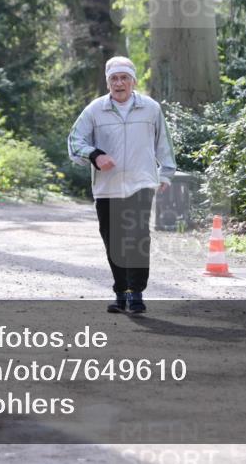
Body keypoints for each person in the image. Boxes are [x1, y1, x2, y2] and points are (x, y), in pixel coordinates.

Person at [68, 56, 176, 314]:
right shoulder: (95, 110)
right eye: (114, 78)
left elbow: (164, 144)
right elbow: (74, 141)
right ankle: (121, 292)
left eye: (124, 78)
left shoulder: (150, 108)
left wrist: (166, 174)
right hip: (108, 187)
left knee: (137, 237)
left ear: (133, 81)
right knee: (114, 241)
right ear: (108, 83)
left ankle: (136, 293)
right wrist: (95, 155)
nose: (119, 83)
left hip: (140, 184)